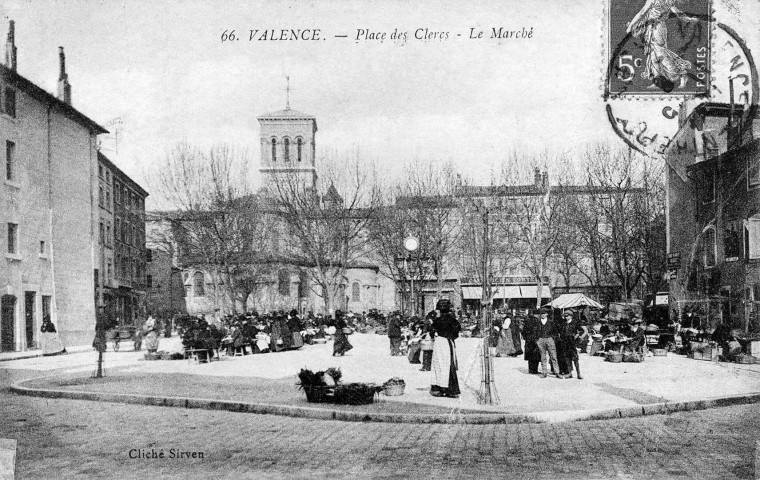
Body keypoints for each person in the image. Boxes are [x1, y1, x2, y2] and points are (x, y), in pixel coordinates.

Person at [430, 299, 461, 398]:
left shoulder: (436, 320)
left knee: (437, 364)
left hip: (438, 342)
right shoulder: (452, 320)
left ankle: (437, 388)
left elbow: (431, 332)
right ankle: (450, 390)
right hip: (447, 343)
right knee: (448, 364)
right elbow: (456, 333)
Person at [556, 311, 583, 379]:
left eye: (567, 316)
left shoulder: (575, 322)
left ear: (571, 316)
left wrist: (576, 335)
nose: (566, 317)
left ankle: (578, 373)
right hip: (564, 342)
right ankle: (569, 373)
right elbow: (559, 331)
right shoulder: (563, 323)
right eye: (565, 316)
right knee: (567, 358)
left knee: (575, 358)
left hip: (572, 342)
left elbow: (581, 330)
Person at [536, 309, 560, 378]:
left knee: (553, 356)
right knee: (543, 357)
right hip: (540, 339)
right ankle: (544, 372)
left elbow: (555, 331)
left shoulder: (551, 322)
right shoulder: (538, 322)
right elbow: (535, 331)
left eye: (544, 313)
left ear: (547, 314)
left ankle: (557, 372)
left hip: (549, 339)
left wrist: (552, 339)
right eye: (542, 313)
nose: (543, 315)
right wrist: (537, 340)